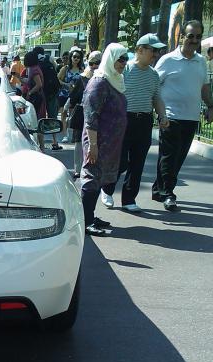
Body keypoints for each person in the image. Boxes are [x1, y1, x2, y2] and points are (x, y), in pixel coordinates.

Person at [100, 34, 170, 212]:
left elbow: (157, 98)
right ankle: (107, 189)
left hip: (144, 121)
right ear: (140, 49)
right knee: (121, 161)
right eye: (152, 50)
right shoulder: (126, 70)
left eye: (157, 51)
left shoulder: (154, 74)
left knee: (138, 162)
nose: (155, 54)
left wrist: (162, 116)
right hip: (124, 120)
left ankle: (129, 199)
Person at [152, 20, 213, 211]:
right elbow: (154, 85)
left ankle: (158, 188)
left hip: (191, 117)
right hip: (170, 116)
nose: (194, 40)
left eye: (198, 36)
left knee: (177, 157)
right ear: (182, 37)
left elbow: (204, 88)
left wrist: (211, 106)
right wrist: (157, 111)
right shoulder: (167, 60)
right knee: (169, 156)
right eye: (190, 36)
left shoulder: (201, 62)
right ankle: (168, 193)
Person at [80, 43, 128, 236]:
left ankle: (90, 216)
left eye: (126, 59)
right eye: (120, 59)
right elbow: (90, 116)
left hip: (111, 144)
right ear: (111, 59)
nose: (124, 63)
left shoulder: (115, 80)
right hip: (97, 142)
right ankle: (84, 221)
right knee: (92, 178)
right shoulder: (99, 83)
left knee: (99, 179)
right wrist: (93, 145)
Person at [67, 50, 101, 178]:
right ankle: (77, 169)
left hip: (98, 115)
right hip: (82, 113)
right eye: (92, 63)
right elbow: (73, 97)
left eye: (97, 63)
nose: (94, 66)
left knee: (95, 142)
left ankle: (90, 167)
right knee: (78, 142)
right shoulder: (81, 77)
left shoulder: (106, 78)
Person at [22, 49, 47, 151]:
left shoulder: (33, 70)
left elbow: (39, 84)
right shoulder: (35, 68)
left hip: (37, 98)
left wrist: (30, 92)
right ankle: (41, 145)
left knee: (36, 122)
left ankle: (41, 146)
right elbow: (29, 81)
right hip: (39, 97)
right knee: (38, 121)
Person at [58, 49, 84, 141]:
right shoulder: (65, 68)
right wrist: (66, 84)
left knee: (72, 115)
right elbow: (58, 79)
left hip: (75, 95)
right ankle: (65, 135)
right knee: (63, 114)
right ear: (71, 57)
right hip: (64, 94)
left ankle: (72, 134)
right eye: (74, 56)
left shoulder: (81, 70)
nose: (76, 59)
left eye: (78, 57)